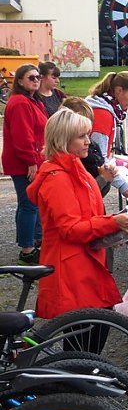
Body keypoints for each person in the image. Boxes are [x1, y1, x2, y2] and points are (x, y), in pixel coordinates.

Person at [26, 109, 128, 348]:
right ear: (63, 139)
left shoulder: (75, 169)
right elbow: (70, 228)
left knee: (92, 331)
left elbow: (87, 214)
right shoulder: (57, 178)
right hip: (72, 267)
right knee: (84, 336)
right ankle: (81, 378)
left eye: (87, 134)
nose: (89, 140)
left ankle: (84, 376)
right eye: (81, 136)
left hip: (84, 262)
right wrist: (112, 223)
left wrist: (111, 231)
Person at [1, 64, 47, 265]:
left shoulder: (32, 100)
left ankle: (32, 243)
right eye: (31, 77)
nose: (36, 80)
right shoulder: (20, 102)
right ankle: (27, 250)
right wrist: (31, 162)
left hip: (32, 160)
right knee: (29, 204)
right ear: (19, 81)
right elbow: (23, 137)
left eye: (38, 77)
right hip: (24, 163)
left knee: (30, 203)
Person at [85, 71, 128, 179]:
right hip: (93, 174)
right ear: (119, 91)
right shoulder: (102, 114)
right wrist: (124, 185)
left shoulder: (105, 106)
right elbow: (100, 158)